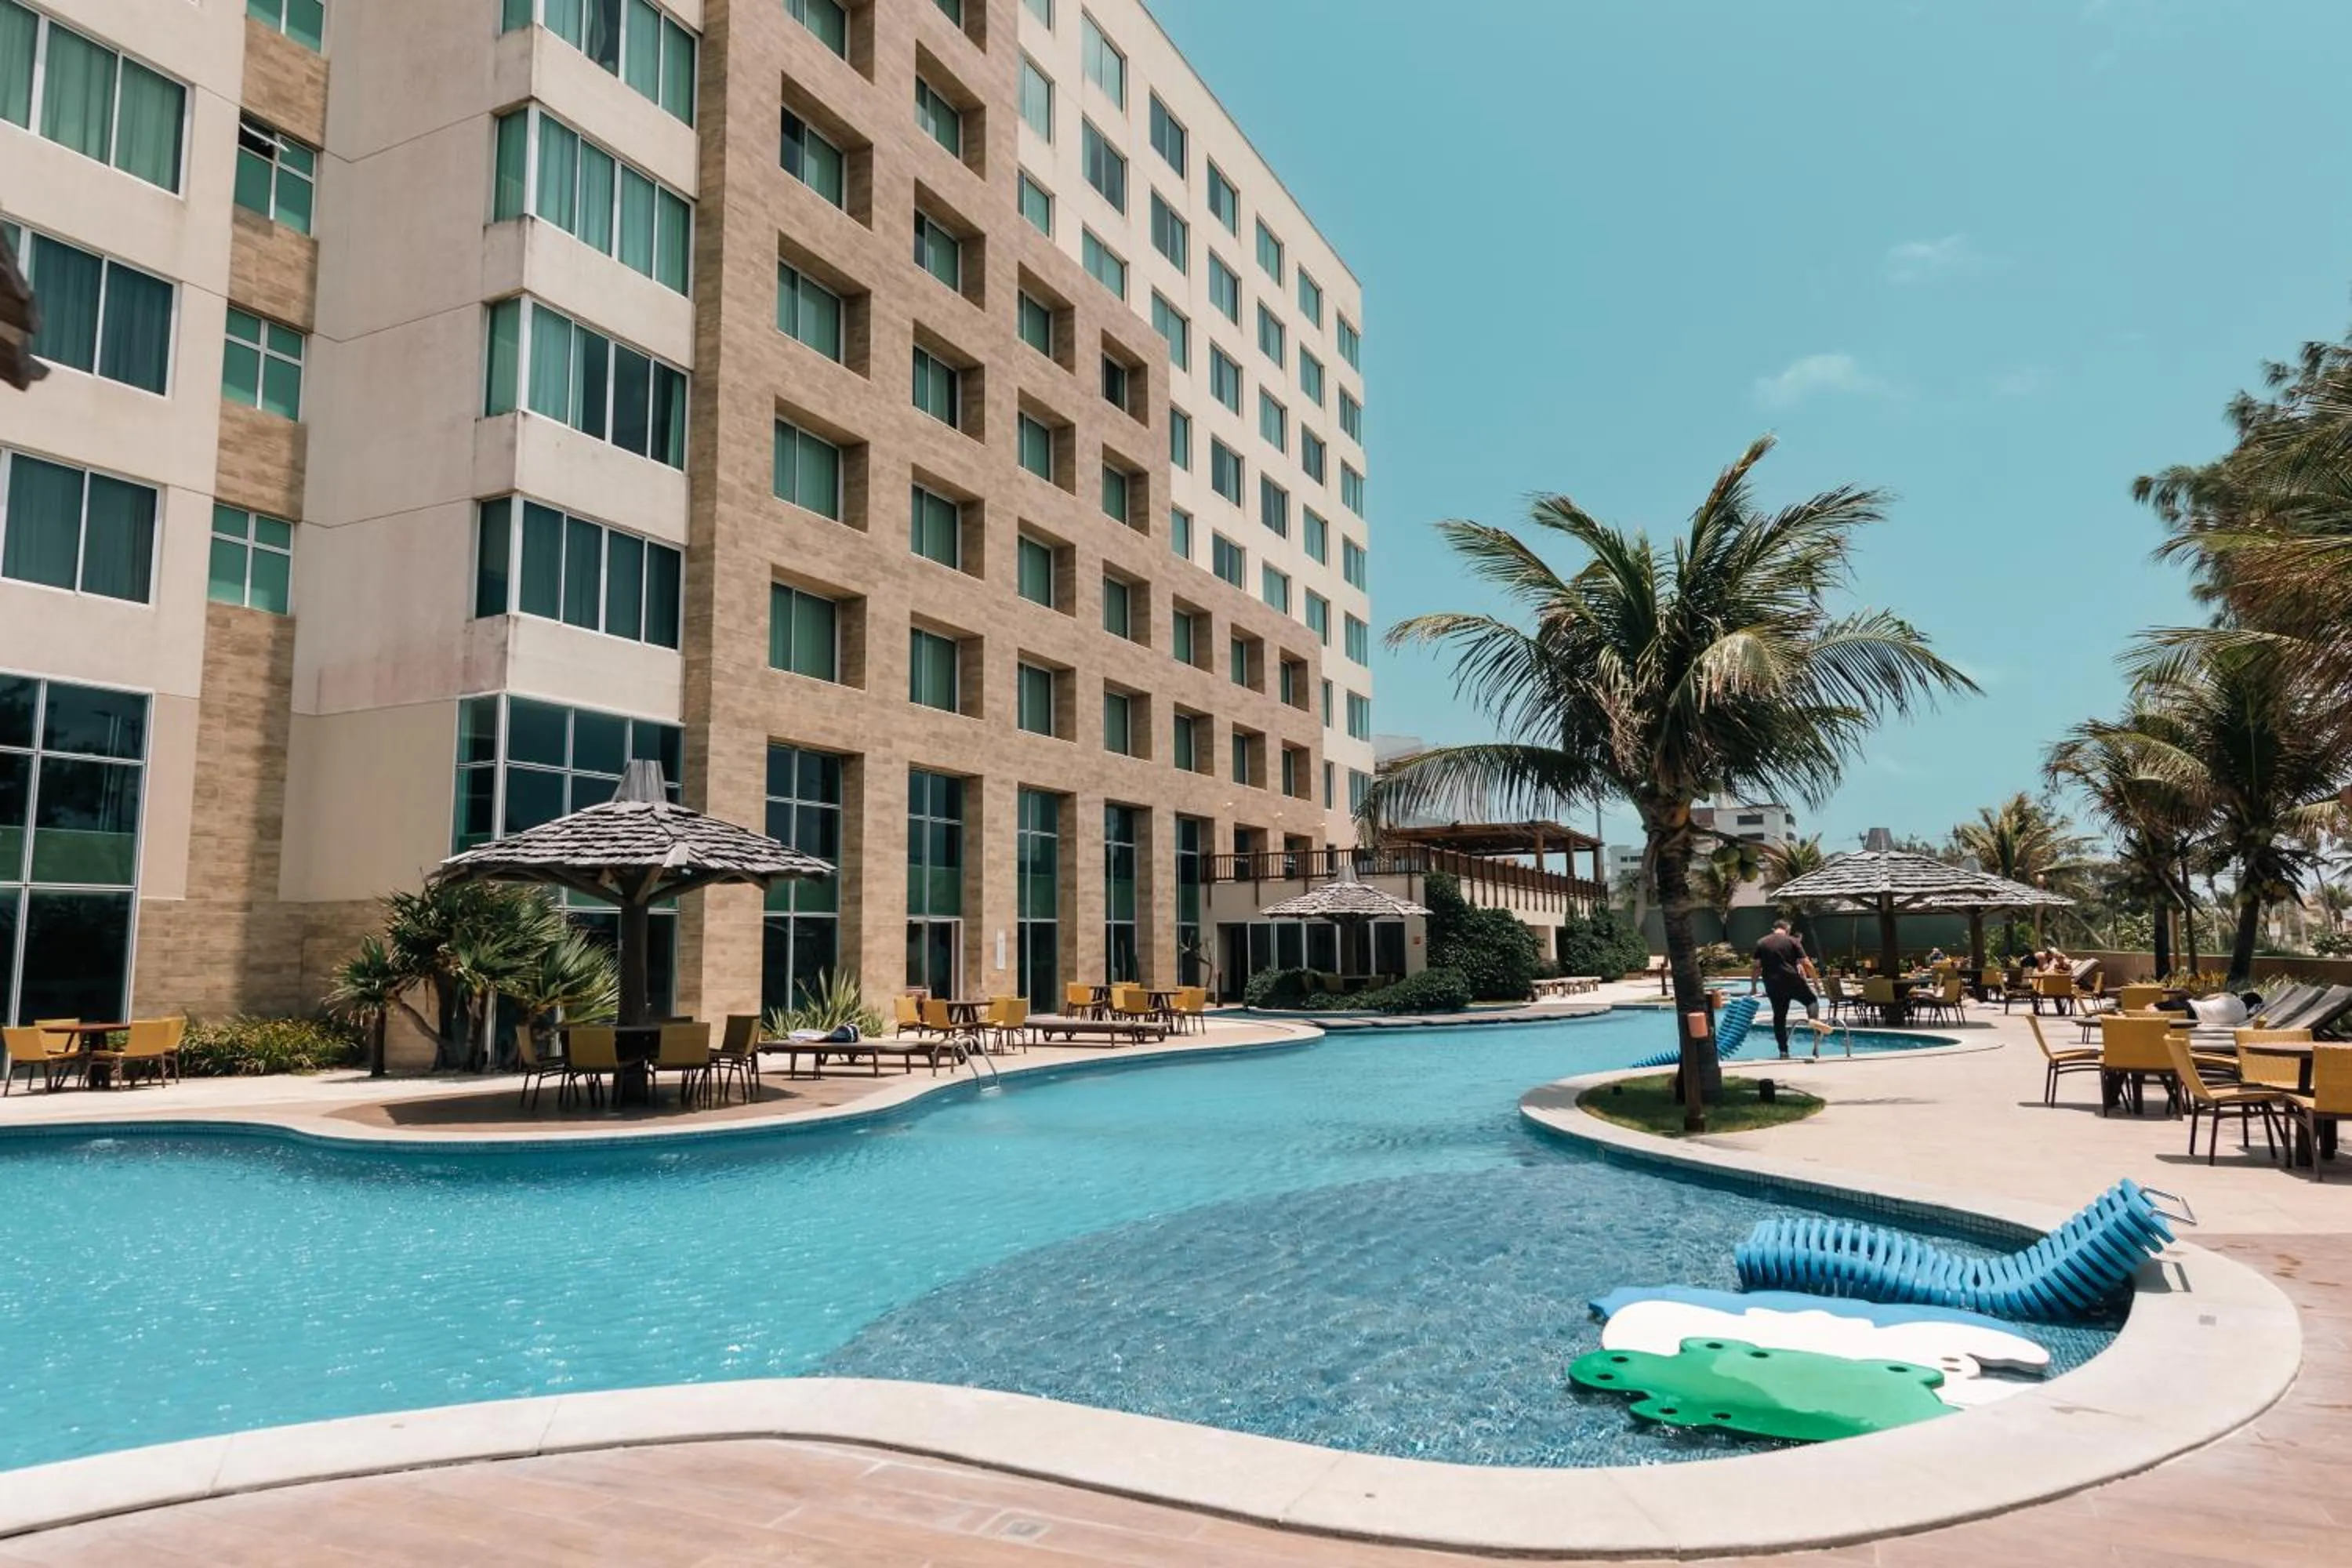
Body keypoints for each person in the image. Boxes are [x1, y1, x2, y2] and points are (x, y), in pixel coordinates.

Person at [1751, 918, 1819, 1060]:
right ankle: (1813, 1022)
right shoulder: (1793, 941)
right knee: (1811, 1000)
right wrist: (1816, 981)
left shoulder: (1762, 942)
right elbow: (1806, 963)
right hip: (1792, 981)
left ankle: (1783, 1051)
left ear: (1773, 929)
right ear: (1787, 929)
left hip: (1773, 984)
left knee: (1779, 1017)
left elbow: (1756, 966)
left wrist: (1754, 986)